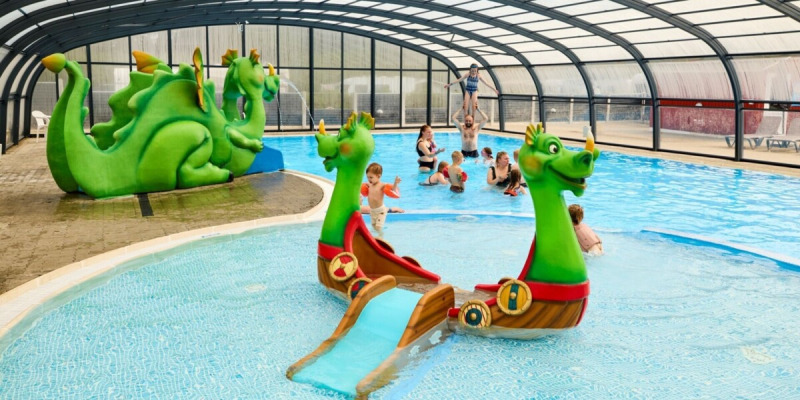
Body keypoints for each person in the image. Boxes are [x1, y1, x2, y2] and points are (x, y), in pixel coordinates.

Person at [361, 163, 401, 236]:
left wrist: (395, 183)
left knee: (378, 228)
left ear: (378, 176)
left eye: (371, 177)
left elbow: (392, 189)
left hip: (380, 211)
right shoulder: (368, 185)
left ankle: (381, 238)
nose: (369, 179)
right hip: (372, 211)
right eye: (368, 177)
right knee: (374, 227)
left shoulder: (382, 185)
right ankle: (377, 239)